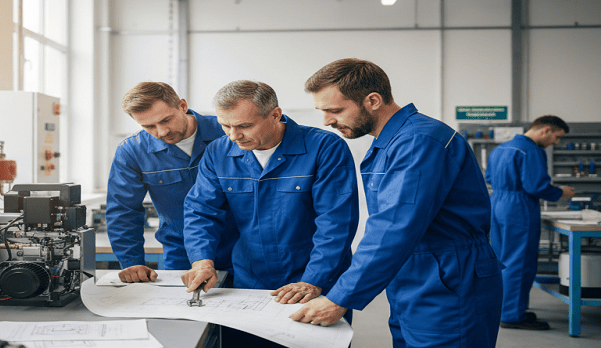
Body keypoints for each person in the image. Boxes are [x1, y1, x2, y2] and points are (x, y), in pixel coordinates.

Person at [292, 58, 504, 348]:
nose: (327, 121)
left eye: (335, 110)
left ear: (373, 100)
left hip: (450, 278)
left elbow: (393, 228)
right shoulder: (390, 143)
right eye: (323, 111)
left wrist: (340, 297)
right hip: (415, 276)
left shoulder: (419, 141)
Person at [181, 80, 359, 346]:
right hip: (249, 281)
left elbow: (336, 223)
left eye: (244, 126)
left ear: (275, 114)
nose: (233, 135)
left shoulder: (324, 147)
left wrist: (314, 280)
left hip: (315, 279)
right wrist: (202, 261)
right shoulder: (218, 152)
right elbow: (201, 211)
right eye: (225, 125)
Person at [106, 82, 238, 283]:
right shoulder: (133, 151)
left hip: (241, 249)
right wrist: (132, 262)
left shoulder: (229, 132)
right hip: (181, 254)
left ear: (182, 106)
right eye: (148, 126)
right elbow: (123, 211)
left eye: (166, 120)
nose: (161, 132)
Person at [485, 115, 575, 330]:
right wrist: (560, 192)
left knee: (501, 260)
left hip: (497, 204)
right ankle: (513, 316)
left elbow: (489, 177)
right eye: (557, 137)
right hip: (518, 208)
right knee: (520, 262)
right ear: (546, 130)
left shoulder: (501, 148)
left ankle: (501, 308)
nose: (556, 143)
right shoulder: (533, 151)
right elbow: (536, 186)